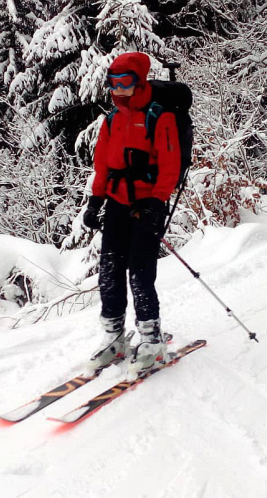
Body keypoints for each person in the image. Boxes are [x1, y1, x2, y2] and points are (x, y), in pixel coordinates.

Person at [83, 52, 181, 373]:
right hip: (116, 203)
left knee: (139, 271)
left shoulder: (159, 117)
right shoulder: (111, 120)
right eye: (114, 83)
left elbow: (170, 166)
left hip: (147, 205)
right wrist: (94, 202)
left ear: (138, 81)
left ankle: (152, 339)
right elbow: (102, 167)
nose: (119, 89)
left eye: (125, 82)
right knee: (109, 270)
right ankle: (114, 336)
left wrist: (156, 202)